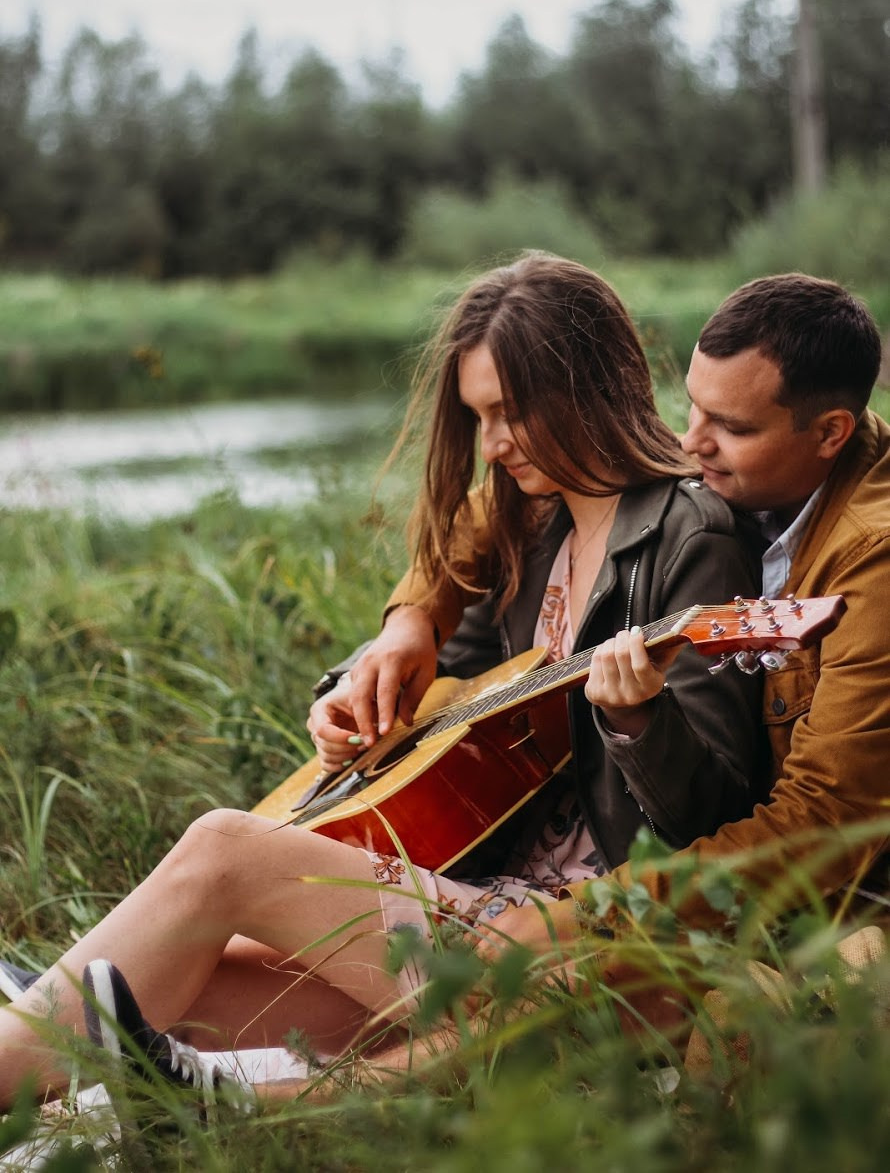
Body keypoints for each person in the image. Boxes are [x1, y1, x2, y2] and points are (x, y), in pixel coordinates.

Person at [0, 253, 762, 1111]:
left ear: (587, 386)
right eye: (479, 417)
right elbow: (444, 691)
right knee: (170, 985)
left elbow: (717, 815)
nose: (492, 445)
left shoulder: (691, 536)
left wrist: (637, 720)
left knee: (223, 849)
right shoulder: (535, 525)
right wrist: (361, 694)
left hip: (576, 940)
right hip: (475, 896)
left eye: (510, 413)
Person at [481, 271, 890, 959]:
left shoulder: (873, 561)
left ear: (829, 433)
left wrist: (597, 912)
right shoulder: (746, 462)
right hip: (727, 886)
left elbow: (825, 827)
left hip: (836, 916)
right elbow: (488, 514)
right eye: (692, 406)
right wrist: (411, 618)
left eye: (729, 426)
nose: (690, 442)